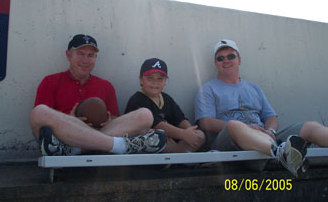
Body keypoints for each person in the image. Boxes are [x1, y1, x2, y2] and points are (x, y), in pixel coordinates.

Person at [194, 39, 328, 177]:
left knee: (310, 127)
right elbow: (205, 122)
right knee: (234, 125)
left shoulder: (254, 88)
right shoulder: (208, 89)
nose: (226, 61)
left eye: (231, 56)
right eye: (220, 58)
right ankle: (281, 153)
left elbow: (271, 117)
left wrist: (270, 130)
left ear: (239, 60)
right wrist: (248, 128)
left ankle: (283, 151)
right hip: (229, 143)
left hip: (264, 138)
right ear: (216, 63)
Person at [30, 34, 167, 156]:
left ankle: (74, 149)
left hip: (85, 137)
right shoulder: (50, 81)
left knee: (145, 115)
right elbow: (42, 122)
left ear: (95, 58)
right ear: (68, 55)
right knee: (39, 112)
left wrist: (109, 121)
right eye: (80, 54)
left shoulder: (106, 86)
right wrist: (70, 120)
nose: (85, 60)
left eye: (90, 55)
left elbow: (114, 118)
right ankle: (120, 146)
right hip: (64, 135)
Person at [125, 58, 205, 153]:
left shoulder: (166, 98)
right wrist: (183, 134)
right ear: (141, 79)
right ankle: (181, 157)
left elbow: (180, 119)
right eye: (150, 78)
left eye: (160, 78)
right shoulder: (137, 99)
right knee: (158, 136)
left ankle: (179, 157)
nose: (155, 82)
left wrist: (190, 131)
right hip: (145, 143)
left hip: (172, 140)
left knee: (200, 135)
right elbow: (157, 125)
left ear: (165, 81)